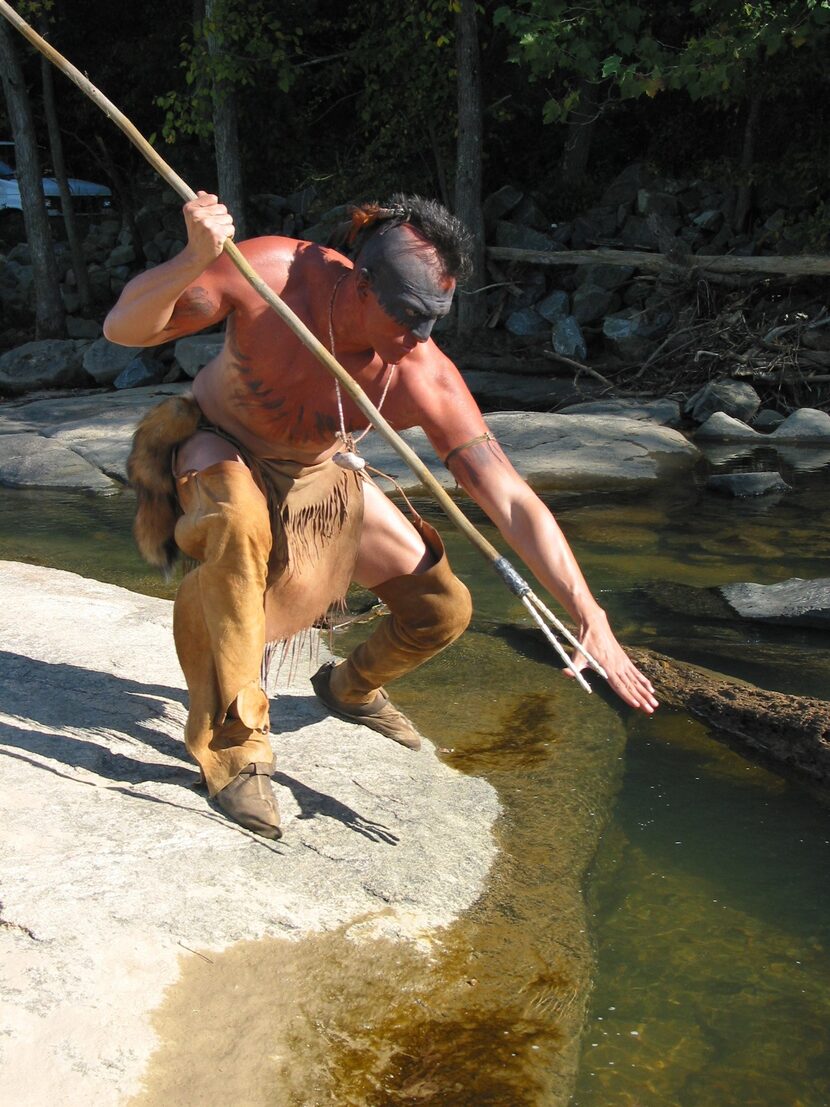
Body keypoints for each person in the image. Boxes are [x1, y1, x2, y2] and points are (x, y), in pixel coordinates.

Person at [104, 191, 658, 841]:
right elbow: (124, 327)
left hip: (317, 479)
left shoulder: (422, 373)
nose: (422, 337)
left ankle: (348, 687)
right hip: (219, 446)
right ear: (362, 286)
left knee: (442, 609)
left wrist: (588, 613)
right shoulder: (273, 277)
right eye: (410, 316)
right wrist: (190, 259)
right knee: (238, 519)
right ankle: (234, 748)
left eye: (436, 319)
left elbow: (508, 497)